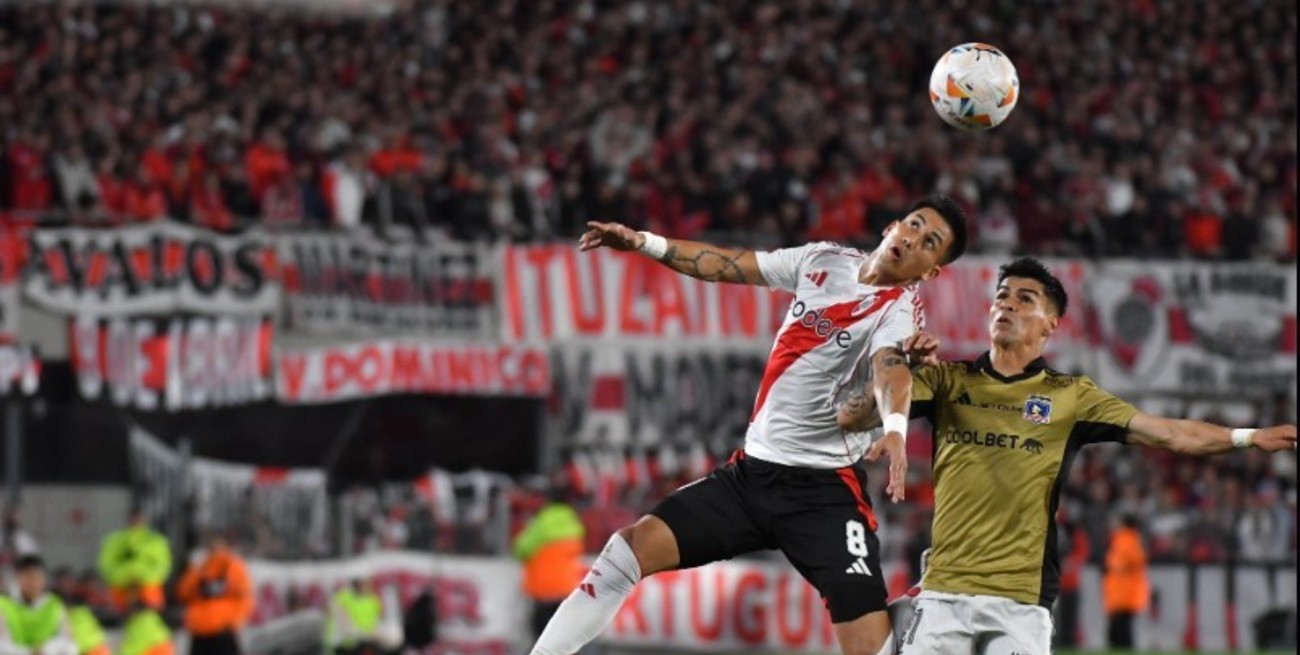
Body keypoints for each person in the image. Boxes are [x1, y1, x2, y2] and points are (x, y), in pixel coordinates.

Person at [530, 194, 970, 655]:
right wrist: (646, 242)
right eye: (915, 225)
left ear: (930, 271)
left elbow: (890, 367)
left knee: (868, 648)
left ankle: (910, 621)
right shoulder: (823, 260)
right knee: (627, 551)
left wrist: (896, 428)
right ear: (892, 226)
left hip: (823, 495)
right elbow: (729, 264)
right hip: (749, 479)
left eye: (929, 242)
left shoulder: (899, 313)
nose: (914, 238)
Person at [839, 257, 1297, 655]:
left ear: (1050, 323)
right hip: (943, 593)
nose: (1008, 304)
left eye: (1025, 298)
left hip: (1019, 600)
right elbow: (853, 416)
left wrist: (1248, 436)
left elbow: (1170, 433)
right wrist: (900, 365)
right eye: (1002, 296)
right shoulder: (947, 381)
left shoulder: (1070, 396)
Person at [511, 476, 585, 640]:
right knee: (560, 641)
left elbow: (520, 549)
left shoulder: (542, 522)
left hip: (543, 589)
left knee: (541, 640)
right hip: (566, 589)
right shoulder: (574, 522)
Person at [176, 532, 253, 655]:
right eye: (211, 544)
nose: (214, 548)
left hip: (223, 631)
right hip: (200, 630)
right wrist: (197, 571)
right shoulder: (201, 567)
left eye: (218, 544)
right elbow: (183, 593)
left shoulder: (234, 567)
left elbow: (245, 596)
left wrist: (234, 621)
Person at [97, 508, 171, 613]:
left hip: (148, 591)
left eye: (139, 517)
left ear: (145, 519)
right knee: (117, 623)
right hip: (120, 591)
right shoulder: (114, 540)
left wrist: (140, 578)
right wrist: (126, 578)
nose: (136, 520)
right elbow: (106, 566)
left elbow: (163, 566)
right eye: (134, 517)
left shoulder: (156, 541)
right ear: (128, 519)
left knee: (149, 620)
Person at [0, 555, 77, 655]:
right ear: (17, 578)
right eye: (28, 577)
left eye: (37, 577)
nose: (34, 582)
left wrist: (47, 649)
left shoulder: (55, 604)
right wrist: (30, 652)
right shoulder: (4, 605)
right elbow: (2, 645)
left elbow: (69, 643)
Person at [1103, 514, 1148, 651]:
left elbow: (1116, 564)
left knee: (1118, 633)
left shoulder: (1124, 541)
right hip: (1128, 594)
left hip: (1122, 594)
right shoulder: (1134, 541)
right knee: (1123, 631)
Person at [325, 579, 383, 655]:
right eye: (363, 583)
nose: (366, 586)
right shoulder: (342, 599)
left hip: (362, 641)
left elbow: (376, 619)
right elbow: (343, 625)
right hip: (343, 643)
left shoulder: (372, 600)